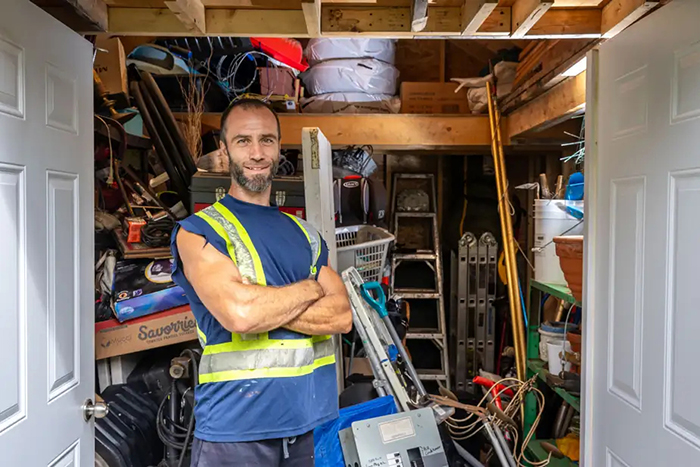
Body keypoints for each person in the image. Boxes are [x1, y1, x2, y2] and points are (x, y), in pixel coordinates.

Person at [170, 98, 353, 467]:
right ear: (224, 151)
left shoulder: (306, 234)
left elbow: (342, 317)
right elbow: (241, 315)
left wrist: (264, 302)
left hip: (306, 429)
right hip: (235, 433)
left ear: (279, 147)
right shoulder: (199, 231)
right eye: (243, 141)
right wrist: (311, 287)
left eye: (267, 140)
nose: (256, 153)